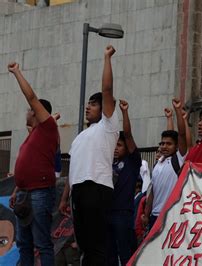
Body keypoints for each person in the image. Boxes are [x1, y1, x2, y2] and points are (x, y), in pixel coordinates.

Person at [60, 45, 120, 265]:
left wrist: (106, 58)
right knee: (83, 245)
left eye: (93, 104)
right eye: (88, 104)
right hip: (78, 192)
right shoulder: (79, 138)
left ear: (105, 107)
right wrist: (65, 197)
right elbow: (73, 169)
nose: (88, 107)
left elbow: (106, 89)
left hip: (97, 188)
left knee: (96, 245)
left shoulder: (109, 125)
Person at [7, 62, 59, 266]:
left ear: (39, 112)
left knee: (42, 243)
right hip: (25, 193)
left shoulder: (47, 127)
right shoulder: (34, 136)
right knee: (24, 242)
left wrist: (16, 72)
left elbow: (31, 96)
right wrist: (16, 190)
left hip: (40, 192)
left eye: (31, 110)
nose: (28, 112)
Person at [142, 99, 187, 230]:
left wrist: (178, 111)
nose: (164, 146)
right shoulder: (157, 164)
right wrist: (146, 213)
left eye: (169, 144)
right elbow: (153, 193)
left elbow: (182, 134)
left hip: (172, 215)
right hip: (154, 216)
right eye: (162, 143)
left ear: (177, 146)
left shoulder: (178, 159)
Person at [107, 99, 141, 266]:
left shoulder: (132, 162)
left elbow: (127, 135)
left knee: (126, 254)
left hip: (123, 214)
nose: (115, 148)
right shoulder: (108, 164)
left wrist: (124, 112)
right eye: (114, 145)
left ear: (127, 148)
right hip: (108, 214)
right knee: (110, 254)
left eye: (119, 145)